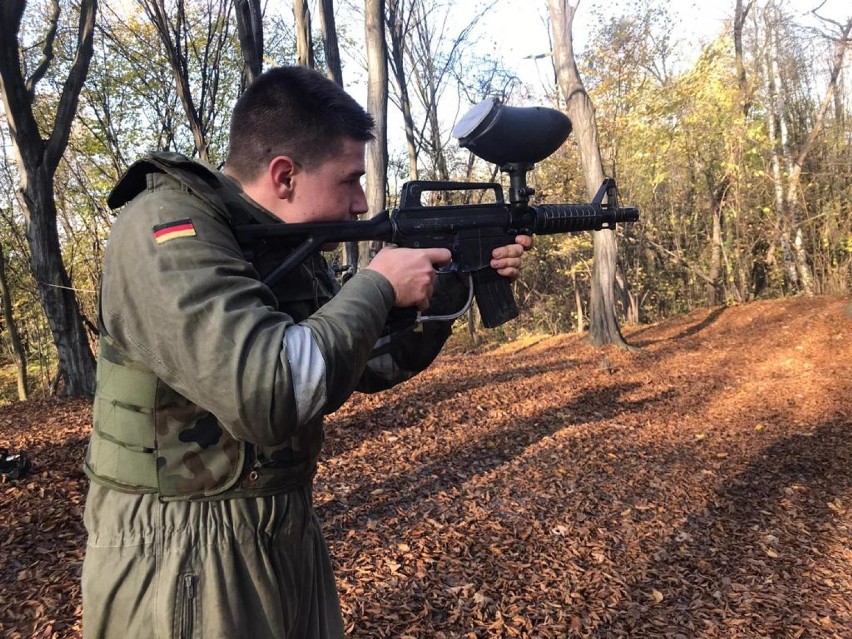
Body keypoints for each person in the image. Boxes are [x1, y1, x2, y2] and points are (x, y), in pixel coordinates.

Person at [81, 65, 531, 638]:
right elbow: (266, 393)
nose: (361, 202)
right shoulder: (164, 227)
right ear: (285, 175)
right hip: (179, 549)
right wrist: (376, 285)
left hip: (283, 527)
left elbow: (357, 364)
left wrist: (441, 286)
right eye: (349, 180)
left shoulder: (275, 237)